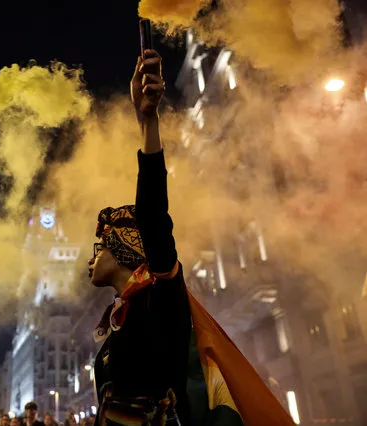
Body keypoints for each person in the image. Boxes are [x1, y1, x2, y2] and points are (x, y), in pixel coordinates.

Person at [88, 48, 296, 426]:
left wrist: (147, 121)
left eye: (100, 247)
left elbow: (153, 215)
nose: (91, 257)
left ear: (124, 252)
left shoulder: (159, 297)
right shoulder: (121, 316)